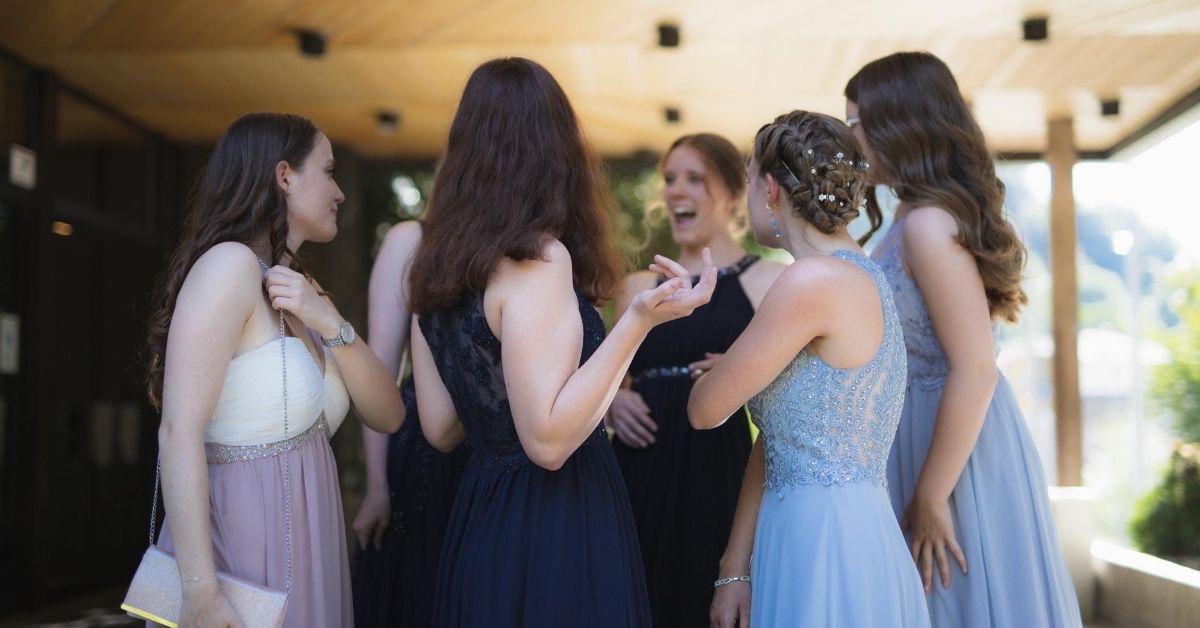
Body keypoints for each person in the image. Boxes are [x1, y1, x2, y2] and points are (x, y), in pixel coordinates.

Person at [407, 57, 716, 628]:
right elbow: (548, 443)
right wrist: (638, 322)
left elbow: (439, 427)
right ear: (554, 149)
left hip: (482, 518)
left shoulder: (435, 266)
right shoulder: (537, 260)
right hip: (555, 519)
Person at [847, 51, 1082, 626]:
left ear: (897, 123)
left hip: (952, 452)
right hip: (918, 435)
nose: (849, 138)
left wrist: (930, 496)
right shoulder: (909, 216)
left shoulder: (928, 224)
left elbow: (975, 368)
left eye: (855, 122)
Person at [144, 113, 404, 627]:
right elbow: (178, 431)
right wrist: (200, 592)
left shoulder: (301, 291)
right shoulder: (228, 267)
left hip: (307, 540)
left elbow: (390, 414)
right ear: (284, 176)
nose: (340, 192)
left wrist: (329, 320)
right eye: (328, 172)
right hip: (239, 548)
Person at [692, 110, 929, 627]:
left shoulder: (810, 283)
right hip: (838, 528)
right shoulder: (857, 273)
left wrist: (716, 348)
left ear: (770, 188)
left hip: (821, 538)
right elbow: (779, 436)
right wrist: (734, 568)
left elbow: (704, 409)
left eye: (751, 178)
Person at [607, 133, 785, 627]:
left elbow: (791, 388)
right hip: (638, 469)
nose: (676, 190)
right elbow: (605, 375)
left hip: (717, 471)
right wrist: (614, 403)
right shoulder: (639, 287)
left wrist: (742, 366)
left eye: (694, 178)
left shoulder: (767, 281)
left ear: (733, 192)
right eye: (669, 179)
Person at [351, 219, 469, 627]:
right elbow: (380, 372)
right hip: (421, 450)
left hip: (490, 450)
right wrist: (377, 486)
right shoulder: (412, 239)